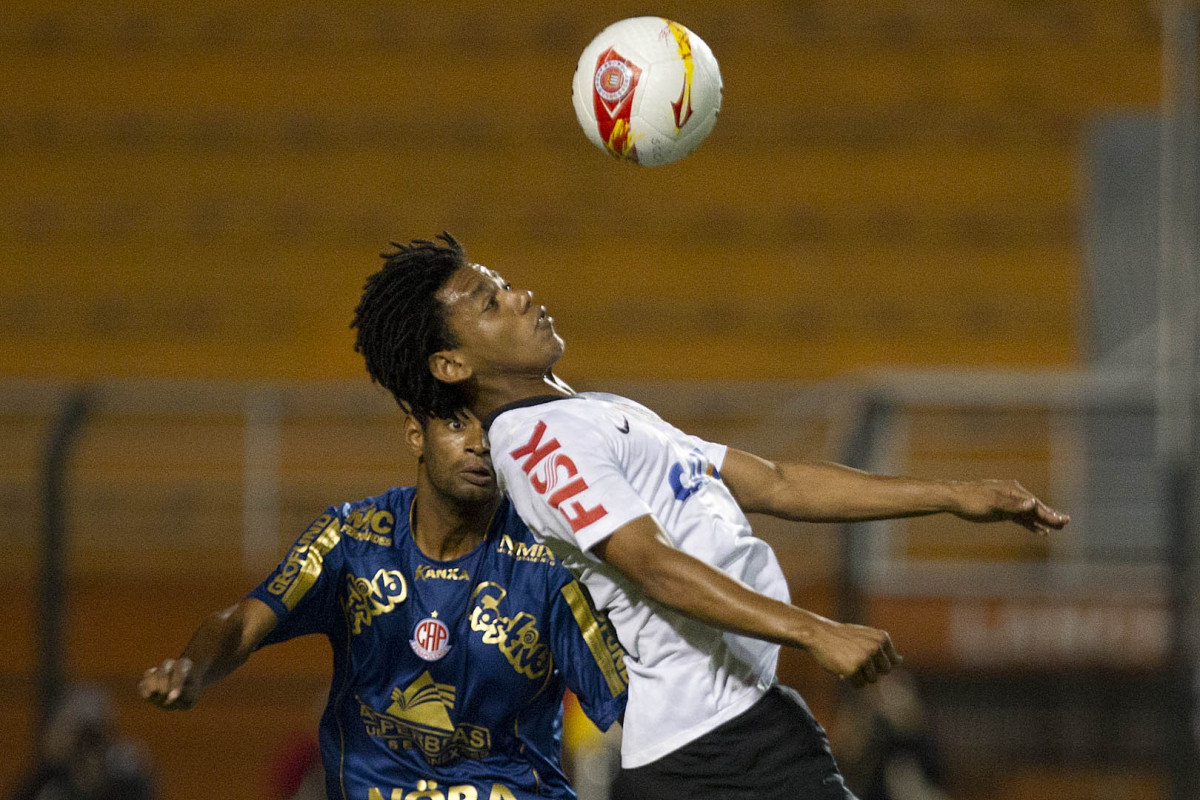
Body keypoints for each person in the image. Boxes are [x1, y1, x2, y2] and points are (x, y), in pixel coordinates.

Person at [349, 233, 1070, 799]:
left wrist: (951, 493)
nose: (521, 296)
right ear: (451, 365)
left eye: (504, 285)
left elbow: (777, 482)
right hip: (715, 750)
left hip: (728, 728)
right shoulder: (538, 443)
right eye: (490, 302)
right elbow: (651, 564)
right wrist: (815, 631)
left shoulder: (584, 414)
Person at [139, 409, 628, 800]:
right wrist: (192, 667)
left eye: (496, 428)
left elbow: (630, 704)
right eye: (457, 423)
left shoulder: (550, 562)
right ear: (415, 432)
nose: (480, 442)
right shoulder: (350, 539)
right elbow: (243, 622)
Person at [11, 684, 156, 800]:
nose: (89, 748)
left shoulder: (126, 777)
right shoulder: (48, 782)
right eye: (82, 738)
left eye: (96, 737)